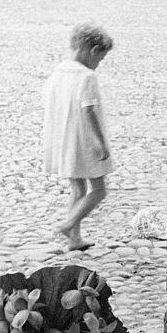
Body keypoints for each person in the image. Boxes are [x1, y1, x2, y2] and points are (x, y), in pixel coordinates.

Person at [43, 23, 115, 252]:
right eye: (100, 59)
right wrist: (100, 142)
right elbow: (89, 109)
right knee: (99, 190)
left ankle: (75, 238)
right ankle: (69, 224)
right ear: (93, 51)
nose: (98, 64)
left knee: (77, 190)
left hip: (63, 140)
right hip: (83, 141)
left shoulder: (59, 72)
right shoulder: (87, 77)